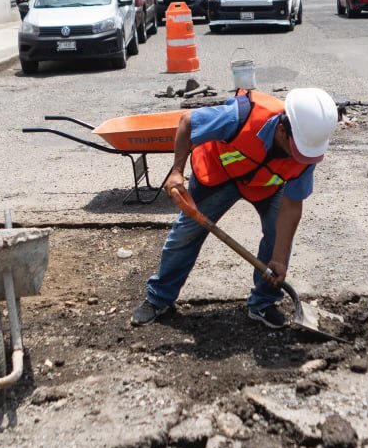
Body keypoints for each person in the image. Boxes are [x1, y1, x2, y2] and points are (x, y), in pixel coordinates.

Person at [131, 87, 340, 330]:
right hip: (217, 176)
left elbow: (292, 204)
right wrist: (177, 171)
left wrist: (280, 259)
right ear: (282, 129)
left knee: (277, 236)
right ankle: (158, 299)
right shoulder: (241, 116)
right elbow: (187, 122)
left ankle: (263, 302)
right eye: (297, 150)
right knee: (186, 234)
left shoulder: (307, 153)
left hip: (264, 185)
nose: (299, 158)